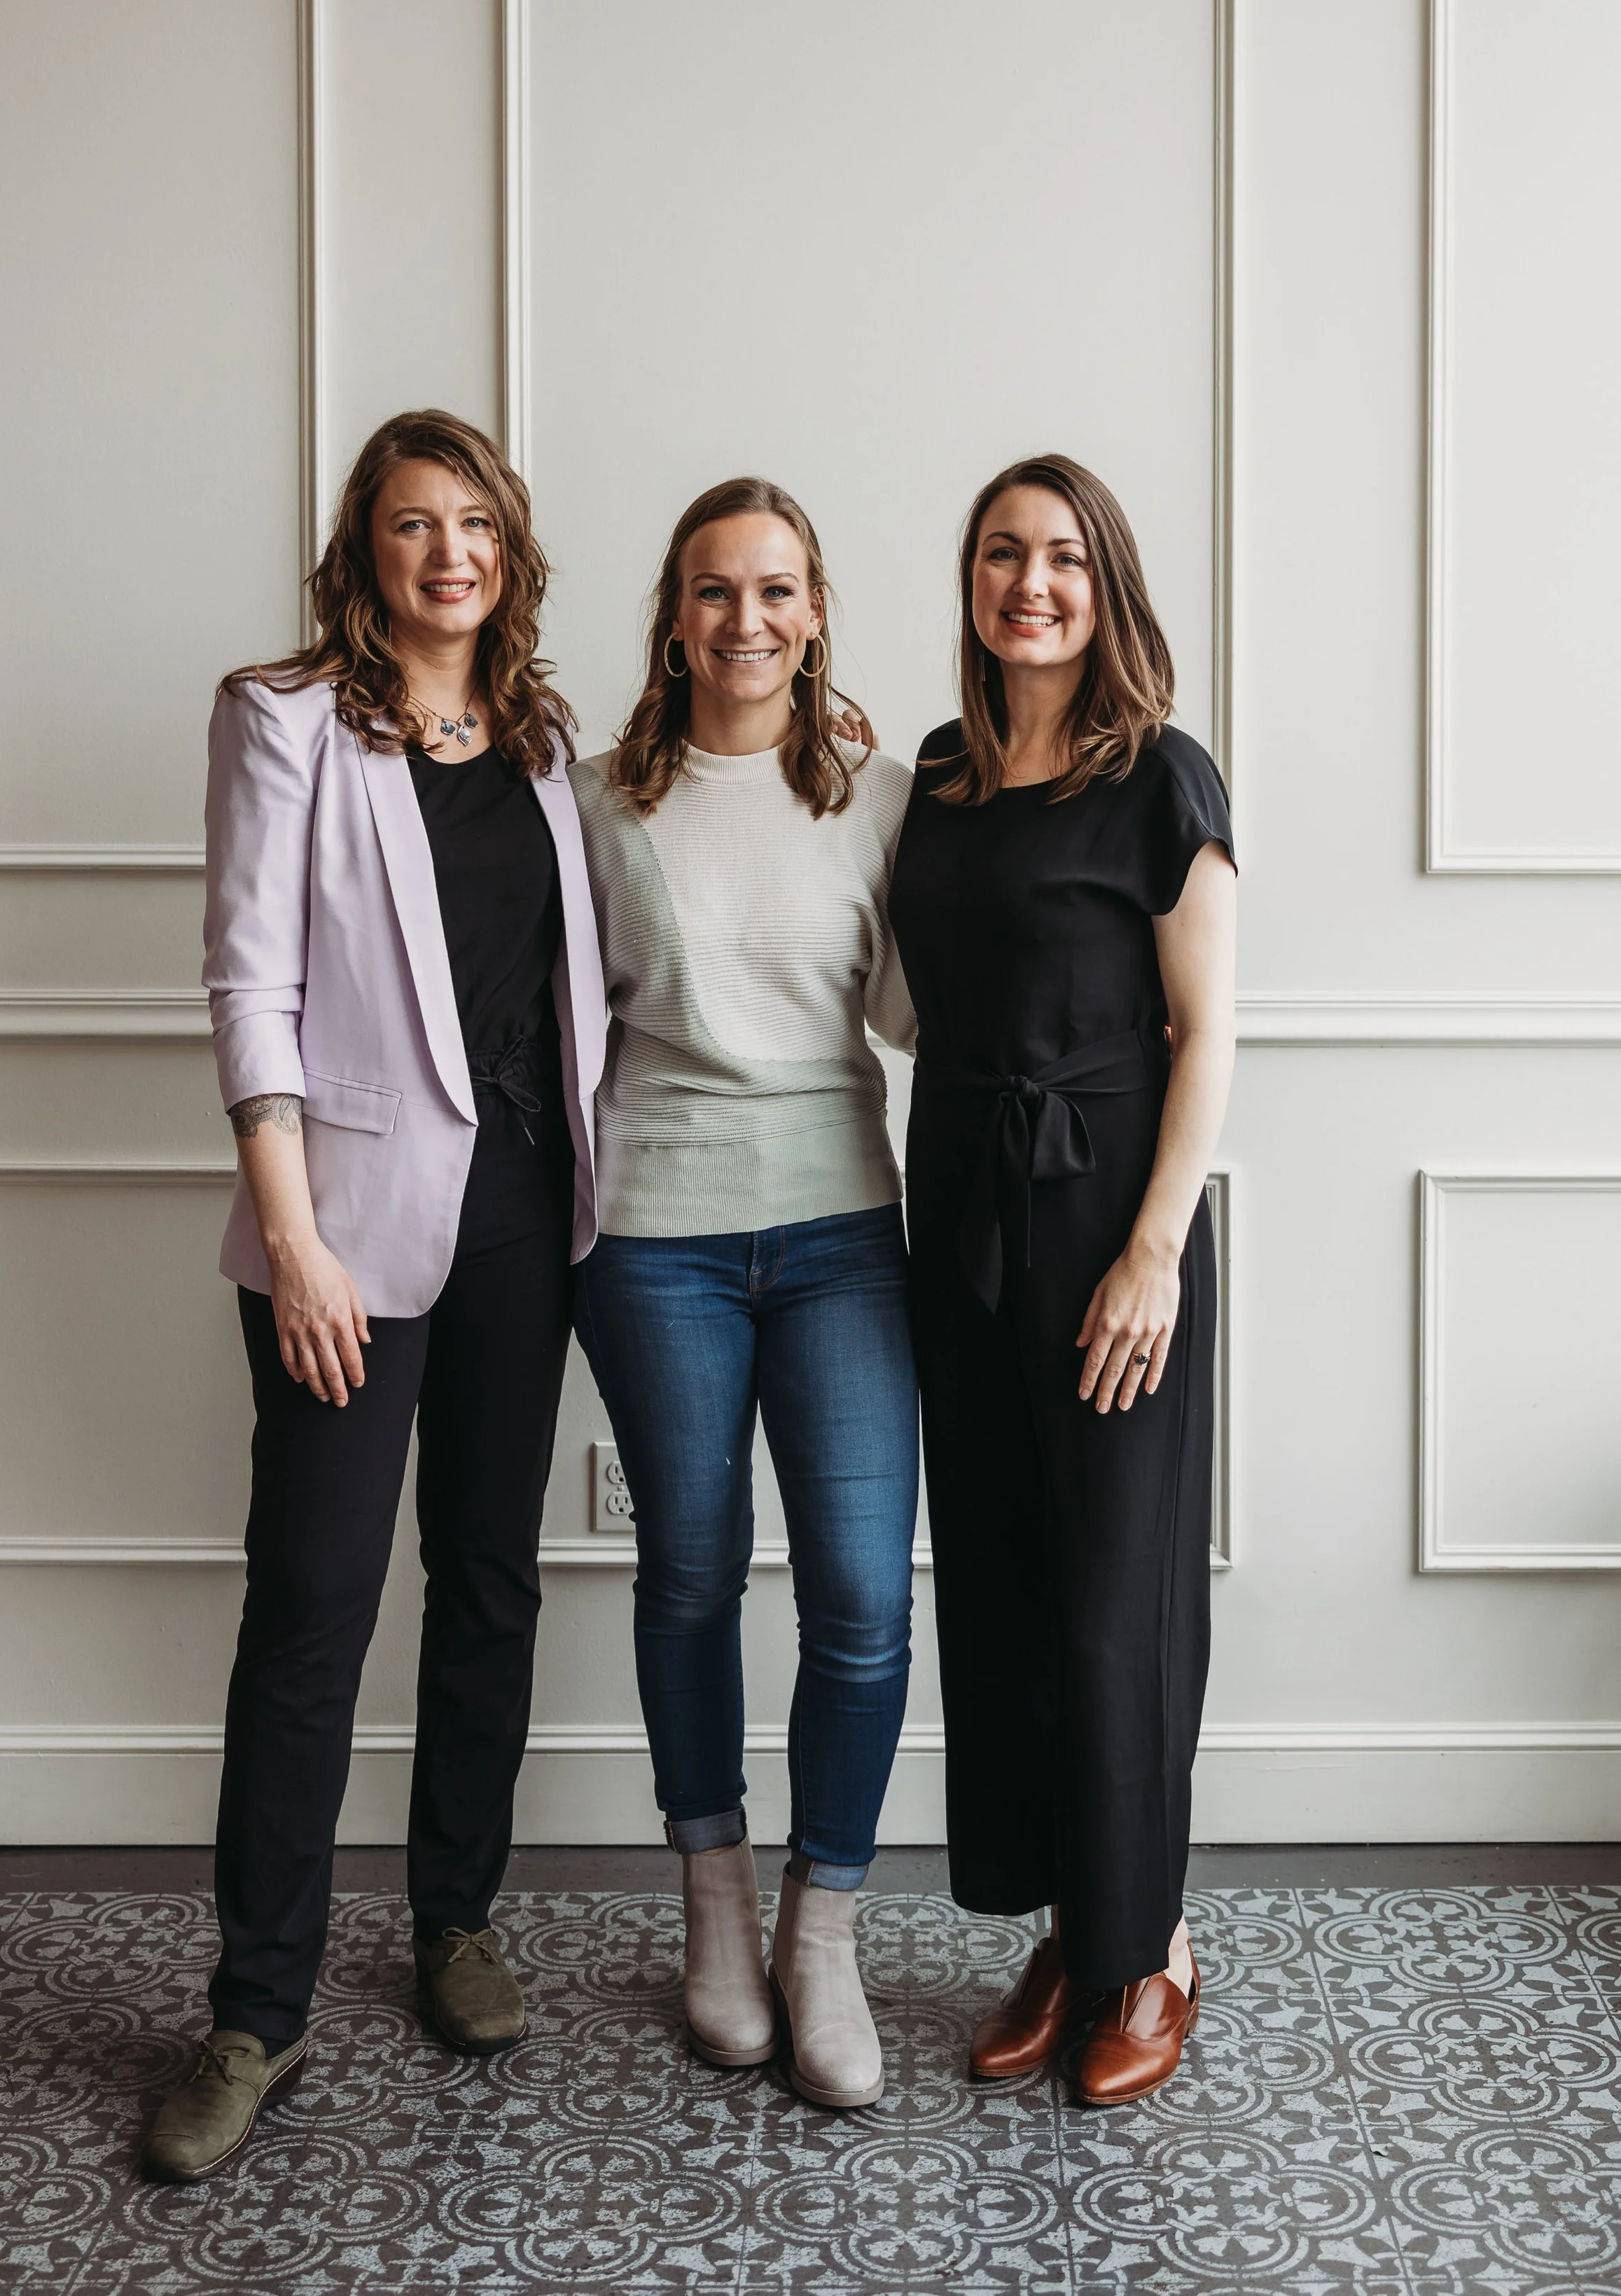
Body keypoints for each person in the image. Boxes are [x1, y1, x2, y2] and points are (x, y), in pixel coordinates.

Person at [141, 410, 606, 2183]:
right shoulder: (283, 721)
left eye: (473, 522)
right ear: (365, 551)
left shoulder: (547, 744)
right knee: (313, 1608)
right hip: (340, 1232)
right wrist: (297, 1236)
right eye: (412, 526)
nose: (447, 555)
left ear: (509, 549)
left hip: (522, 1222)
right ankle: (253, 2010)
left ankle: (454, 1920)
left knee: (488, 1576)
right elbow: (246, 985)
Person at [889, 452, 1236, 2106]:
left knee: (1116, 1606)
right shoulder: (942, 778)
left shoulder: (1162, 779)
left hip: (1108, 1213)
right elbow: (902, 996)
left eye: (1061, 559)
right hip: (958, 1214)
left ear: (1106, 589)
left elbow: (1207, 1032)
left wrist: (1154, 1248)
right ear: (970, 581)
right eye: (1000, 555)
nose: (1028, 583)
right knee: (1013, 1598)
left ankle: (1149, 1944)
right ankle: (1067, 1930)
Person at [571, 478, 918, 2110]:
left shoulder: (884, 797)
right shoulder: (596, 805)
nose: (745, 622)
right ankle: (713, 1909)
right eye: (714, 592)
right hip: (655, 1240)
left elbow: (926, 1014)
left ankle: (820, 1930)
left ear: (815, 609)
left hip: (843, 1228)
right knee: (691, 1572)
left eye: (775, 591)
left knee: (858, 1591)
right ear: (674, 615)